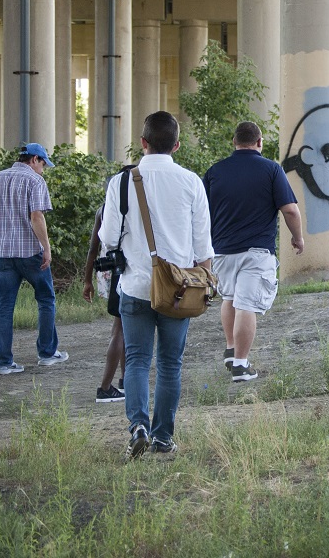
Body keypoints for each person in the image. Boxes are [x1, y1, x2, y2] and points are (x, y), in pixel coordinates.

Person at [99, 112, 214, 459]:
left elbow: (108, 237)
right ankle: (163, 437)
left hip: (135, 285)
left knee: (136, 359)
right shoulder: (191, 182)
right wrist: (205, 284)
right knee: (170, 364)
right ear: (177, 145)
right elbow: (203, 247)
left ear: (143, 143)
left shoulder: (121, 182)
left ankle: (138, 427)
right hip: (178, 291)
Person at [203, 121, 304, 382]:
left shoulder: (215, 171)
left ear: (234, 142)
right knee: (246, 304)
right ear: (259, 142)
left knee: (229, 298)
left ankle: (231, 349)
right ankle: (241, 364)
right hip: (256, 252)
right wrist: (298, 238)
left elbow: (202, 213)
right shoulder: (271, 169)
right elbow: (290, 210)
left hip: (222, 251)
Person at [0, 143, 68, 375]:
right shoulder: (35, 181)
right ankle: (47, 353)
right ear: (35, 159)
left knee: (2, 306)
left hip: (1, 254)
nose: (43, 170)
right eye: (43, 164)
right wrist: (46, 248)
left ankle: (3, 363)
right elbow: (37, 216)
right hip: (30, 253)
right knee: (46, 299)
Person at [82, 196, 128, 403]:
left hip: (109, 271)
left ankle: (125, 380)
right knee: (119, 330)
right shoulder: (129, 208)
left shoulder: (103, 209)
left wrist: (87, 280)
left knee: (123, 326)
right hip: (125, 273)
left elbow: (93, 248)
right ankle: (105, 387)